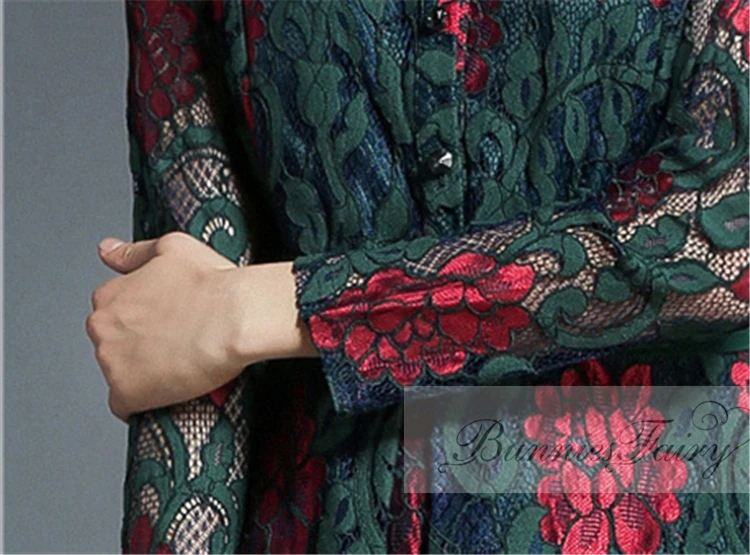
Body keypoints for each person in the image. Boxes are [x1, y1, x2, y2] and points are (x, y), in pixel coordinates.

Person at [85, 0, 750, 552]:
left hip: (655, 510)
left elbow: (717, 240)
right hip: (319, 519)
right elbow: (183, 324)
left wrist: (285, 305)